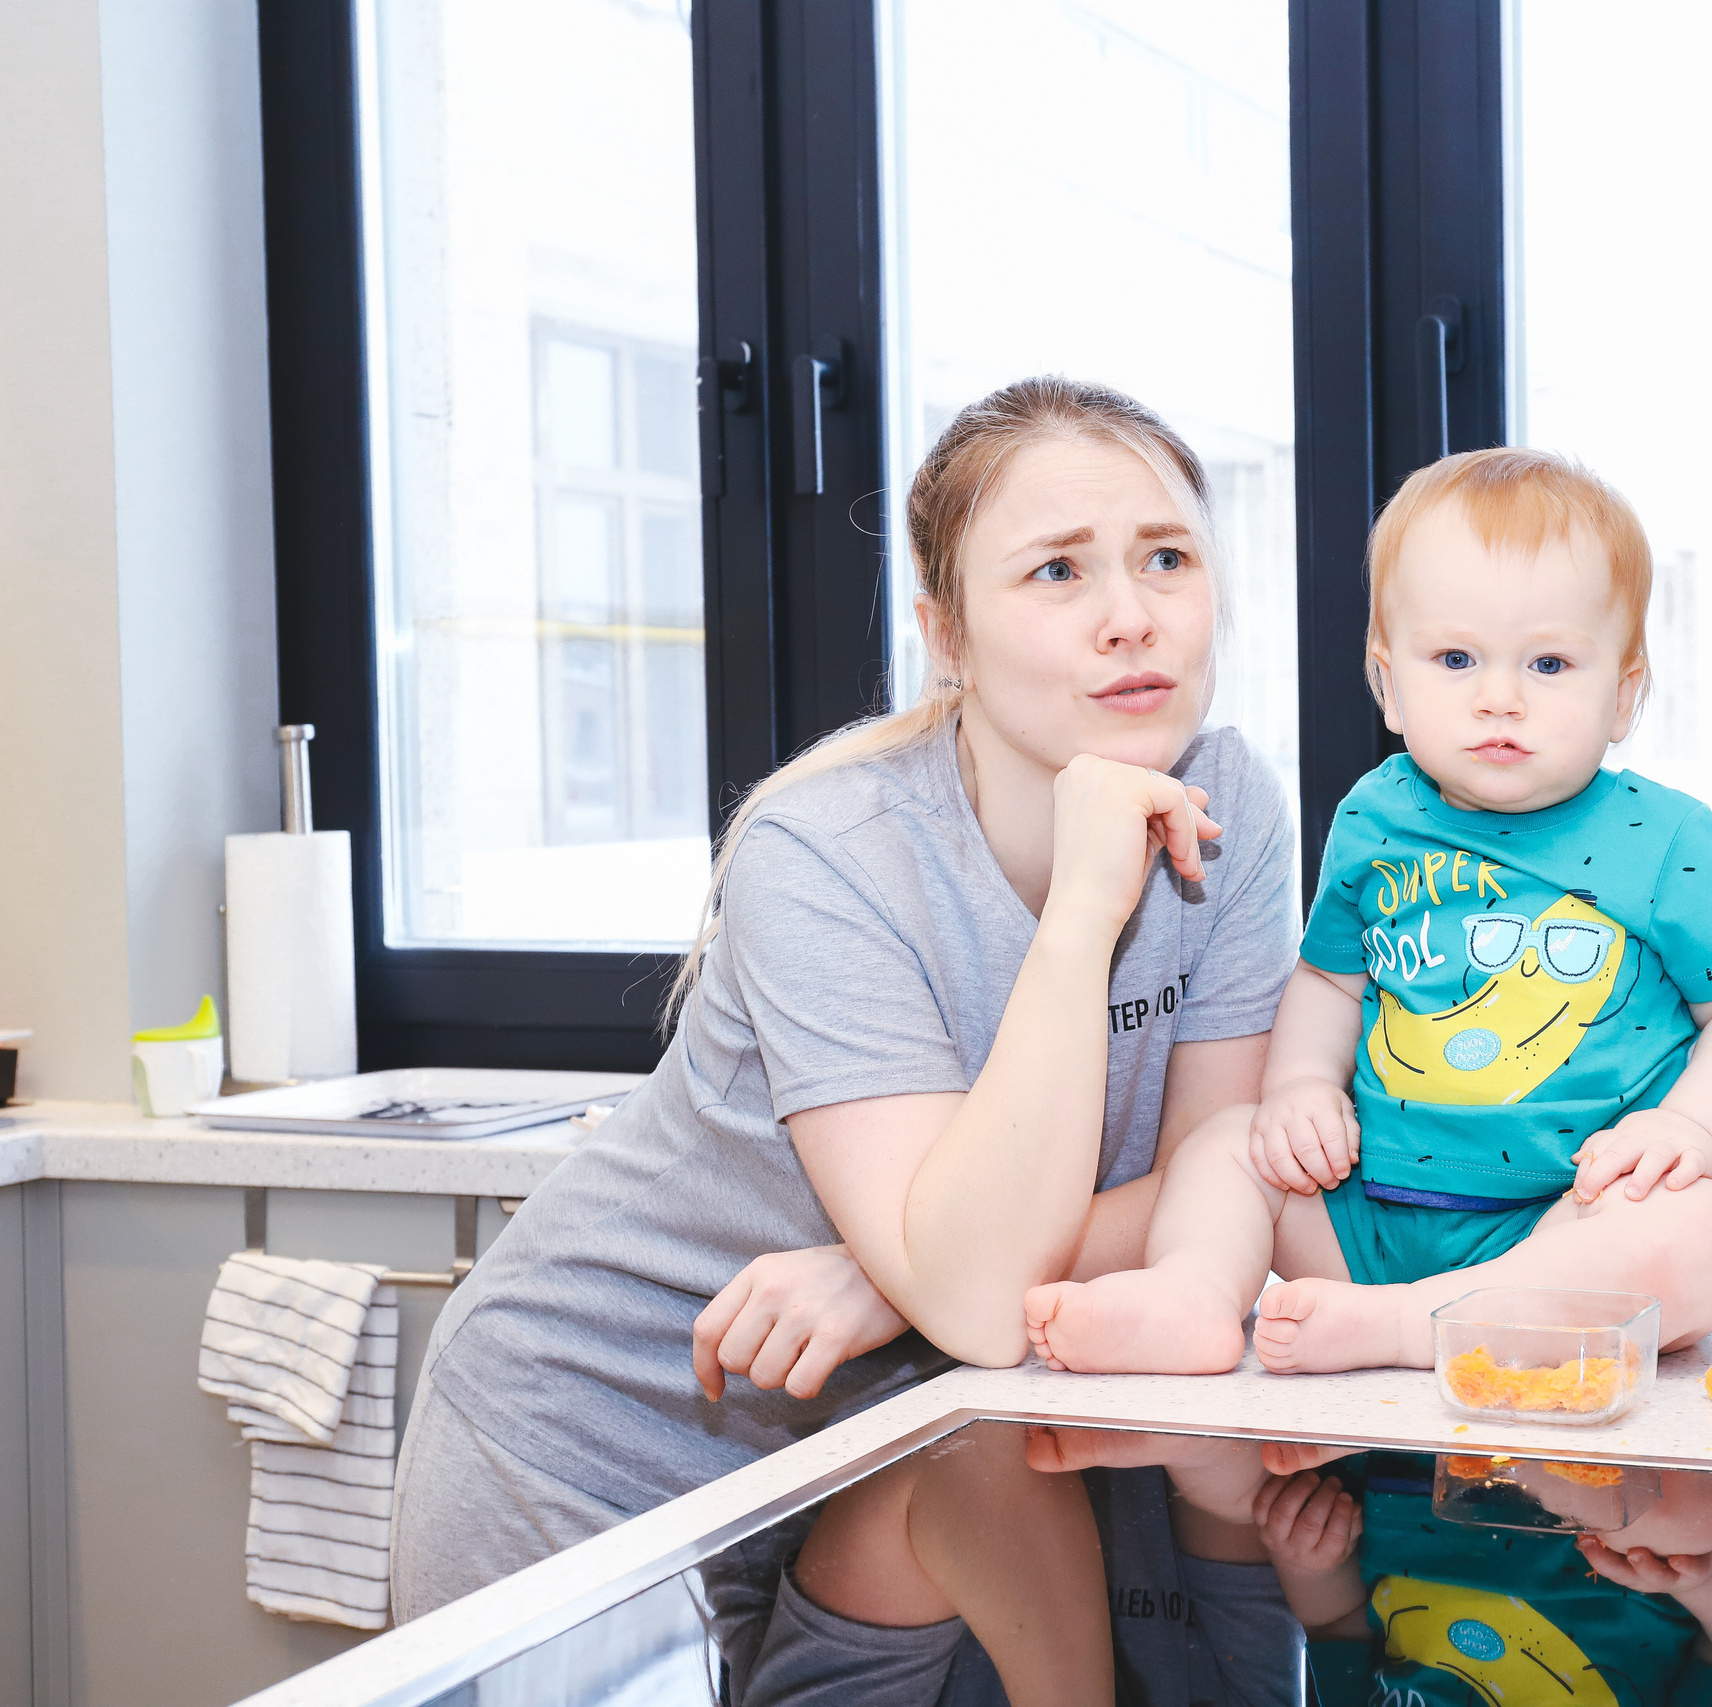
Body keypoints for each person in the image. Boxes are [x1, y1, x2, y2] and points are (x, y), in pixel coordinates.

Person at [389, 377, 1301, 1700]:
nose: (1132, 615)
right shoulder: (830, 847)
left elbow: (1218, 1172)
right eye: (1057, 570)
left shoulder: (1232, 804)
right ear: (948, 633)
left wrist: (891, 1281)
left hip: (893, 1433)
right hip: (597, 1448)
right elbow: (984, 1295)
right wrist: (1086, 906)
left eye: (1167, 556)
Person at [1024, 447, 1712, 1377]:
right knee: (1232, 1144)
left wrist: (1692, 1130)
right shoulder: (1374, 816)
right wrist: (1303, 1088)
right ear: (1390, 684)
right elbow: (1328, 978)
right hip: (1367, 1210)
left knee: (1704, 1233)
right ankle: (1194, 1294)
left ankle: (1413, 1325)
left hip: (1566, 1220)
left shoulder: (1667, 840)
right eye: (1456, 657)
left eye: (1549, 662)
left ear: (1624, 692)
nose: (1499, 695)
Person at [1252, 1445, 1712, 1704]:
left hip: (1397, 1463)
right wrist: (1706, 1575)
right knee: (1690, 1521)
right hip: (1617, 1498)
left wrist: (1309, 1563)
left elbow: (1334, 1626)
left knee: (1235, 1482)